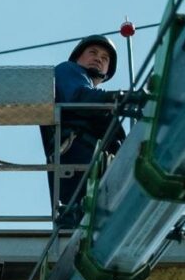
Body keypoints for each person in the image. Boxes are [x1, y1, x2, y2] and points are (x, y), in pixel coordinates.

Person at [41, 35, 128, 227]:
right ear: (78, 57)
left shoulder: (102, 103)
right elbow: (79, 97)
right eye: (93, 53)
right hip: (77, 155)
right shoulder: (67, 70)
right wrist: (119, 99)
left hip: (93, 162)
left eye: (105, 58)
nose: (98, 59)